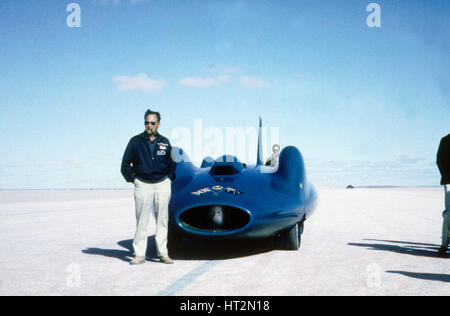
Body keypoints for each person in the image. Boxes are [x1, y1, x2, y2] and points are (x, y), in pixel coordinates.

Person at [121, 109, 176, 265]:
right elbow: (125, 164)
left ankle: (162, 253)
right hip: (143, 184)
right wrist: (133, 179)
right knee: (142, 221)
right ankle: (139, 254)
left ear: (158, 124)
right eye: (147, 122)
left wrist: (169, 178)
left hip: (162, 184)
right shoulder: (135, 142)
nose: (149, 125)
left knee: (162, 220)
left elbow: (173, 162)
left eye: (152, 123)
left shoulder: (165, 142)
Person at [437, 133, 450, 257]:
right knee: (449, 214)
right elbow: (439, 160)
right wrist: (446, 176)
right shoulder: (445, 140)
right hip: (449, 181)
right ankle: (444, 244)